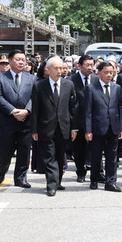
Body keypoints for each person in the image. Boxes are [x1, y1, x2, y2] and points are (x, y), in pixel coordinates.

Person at [31, 56, 78, 196]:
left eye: (62, 68)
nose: (59, 71)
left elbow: (73, 108)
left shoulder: (68, 85)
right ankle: (51, 185)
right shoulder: (39, 85)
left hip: (64, 127)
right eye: (56, 68)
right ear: (48, 69)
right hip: (46, 127)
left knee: (60, 155)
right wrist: (34, 129)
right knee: (49, 157)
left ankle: (58, 181)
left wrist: (74, 128)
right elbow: (35, 109)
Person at [0, 50, 36, 188]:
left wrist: (26, 111)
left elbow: (35, 97)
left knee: (24, 151)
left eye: (23, 59)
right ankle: (2, 171)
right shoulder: (0, 78)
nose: (21, 62)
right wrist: (13, 110)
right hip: (7, 121)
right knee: (5, 152)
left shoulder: (32, 78)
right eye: (18, 59)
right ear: (10, 61)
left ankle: (21, 178)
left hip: (26, 122)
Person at [84, 60, 122, 192]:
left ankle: (111, 182)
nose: (109, 75)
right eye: (106, 72)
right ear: (99, 73)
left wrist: (120, 127)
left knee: (112, 157)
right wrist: (88, 129)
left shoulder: (117, 88)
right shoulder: (91, 88)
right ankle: (94, 179)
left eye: (111, 73)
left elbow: (119, 107)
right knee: (96, 156)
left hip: (113, 126)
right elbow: (88, 111)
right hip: (97, 127)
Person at [69, 55, 95, 182]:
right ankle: (81, 172)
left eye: (92, 65)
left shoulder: (96, 78)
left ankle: (97, 172)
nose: (90, 68)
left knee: (95, 147)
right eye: (87, 65)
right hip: (77, 119)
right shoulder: (71, 80)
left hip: (94, 119)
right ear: (79, 66)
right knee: (79, 148)